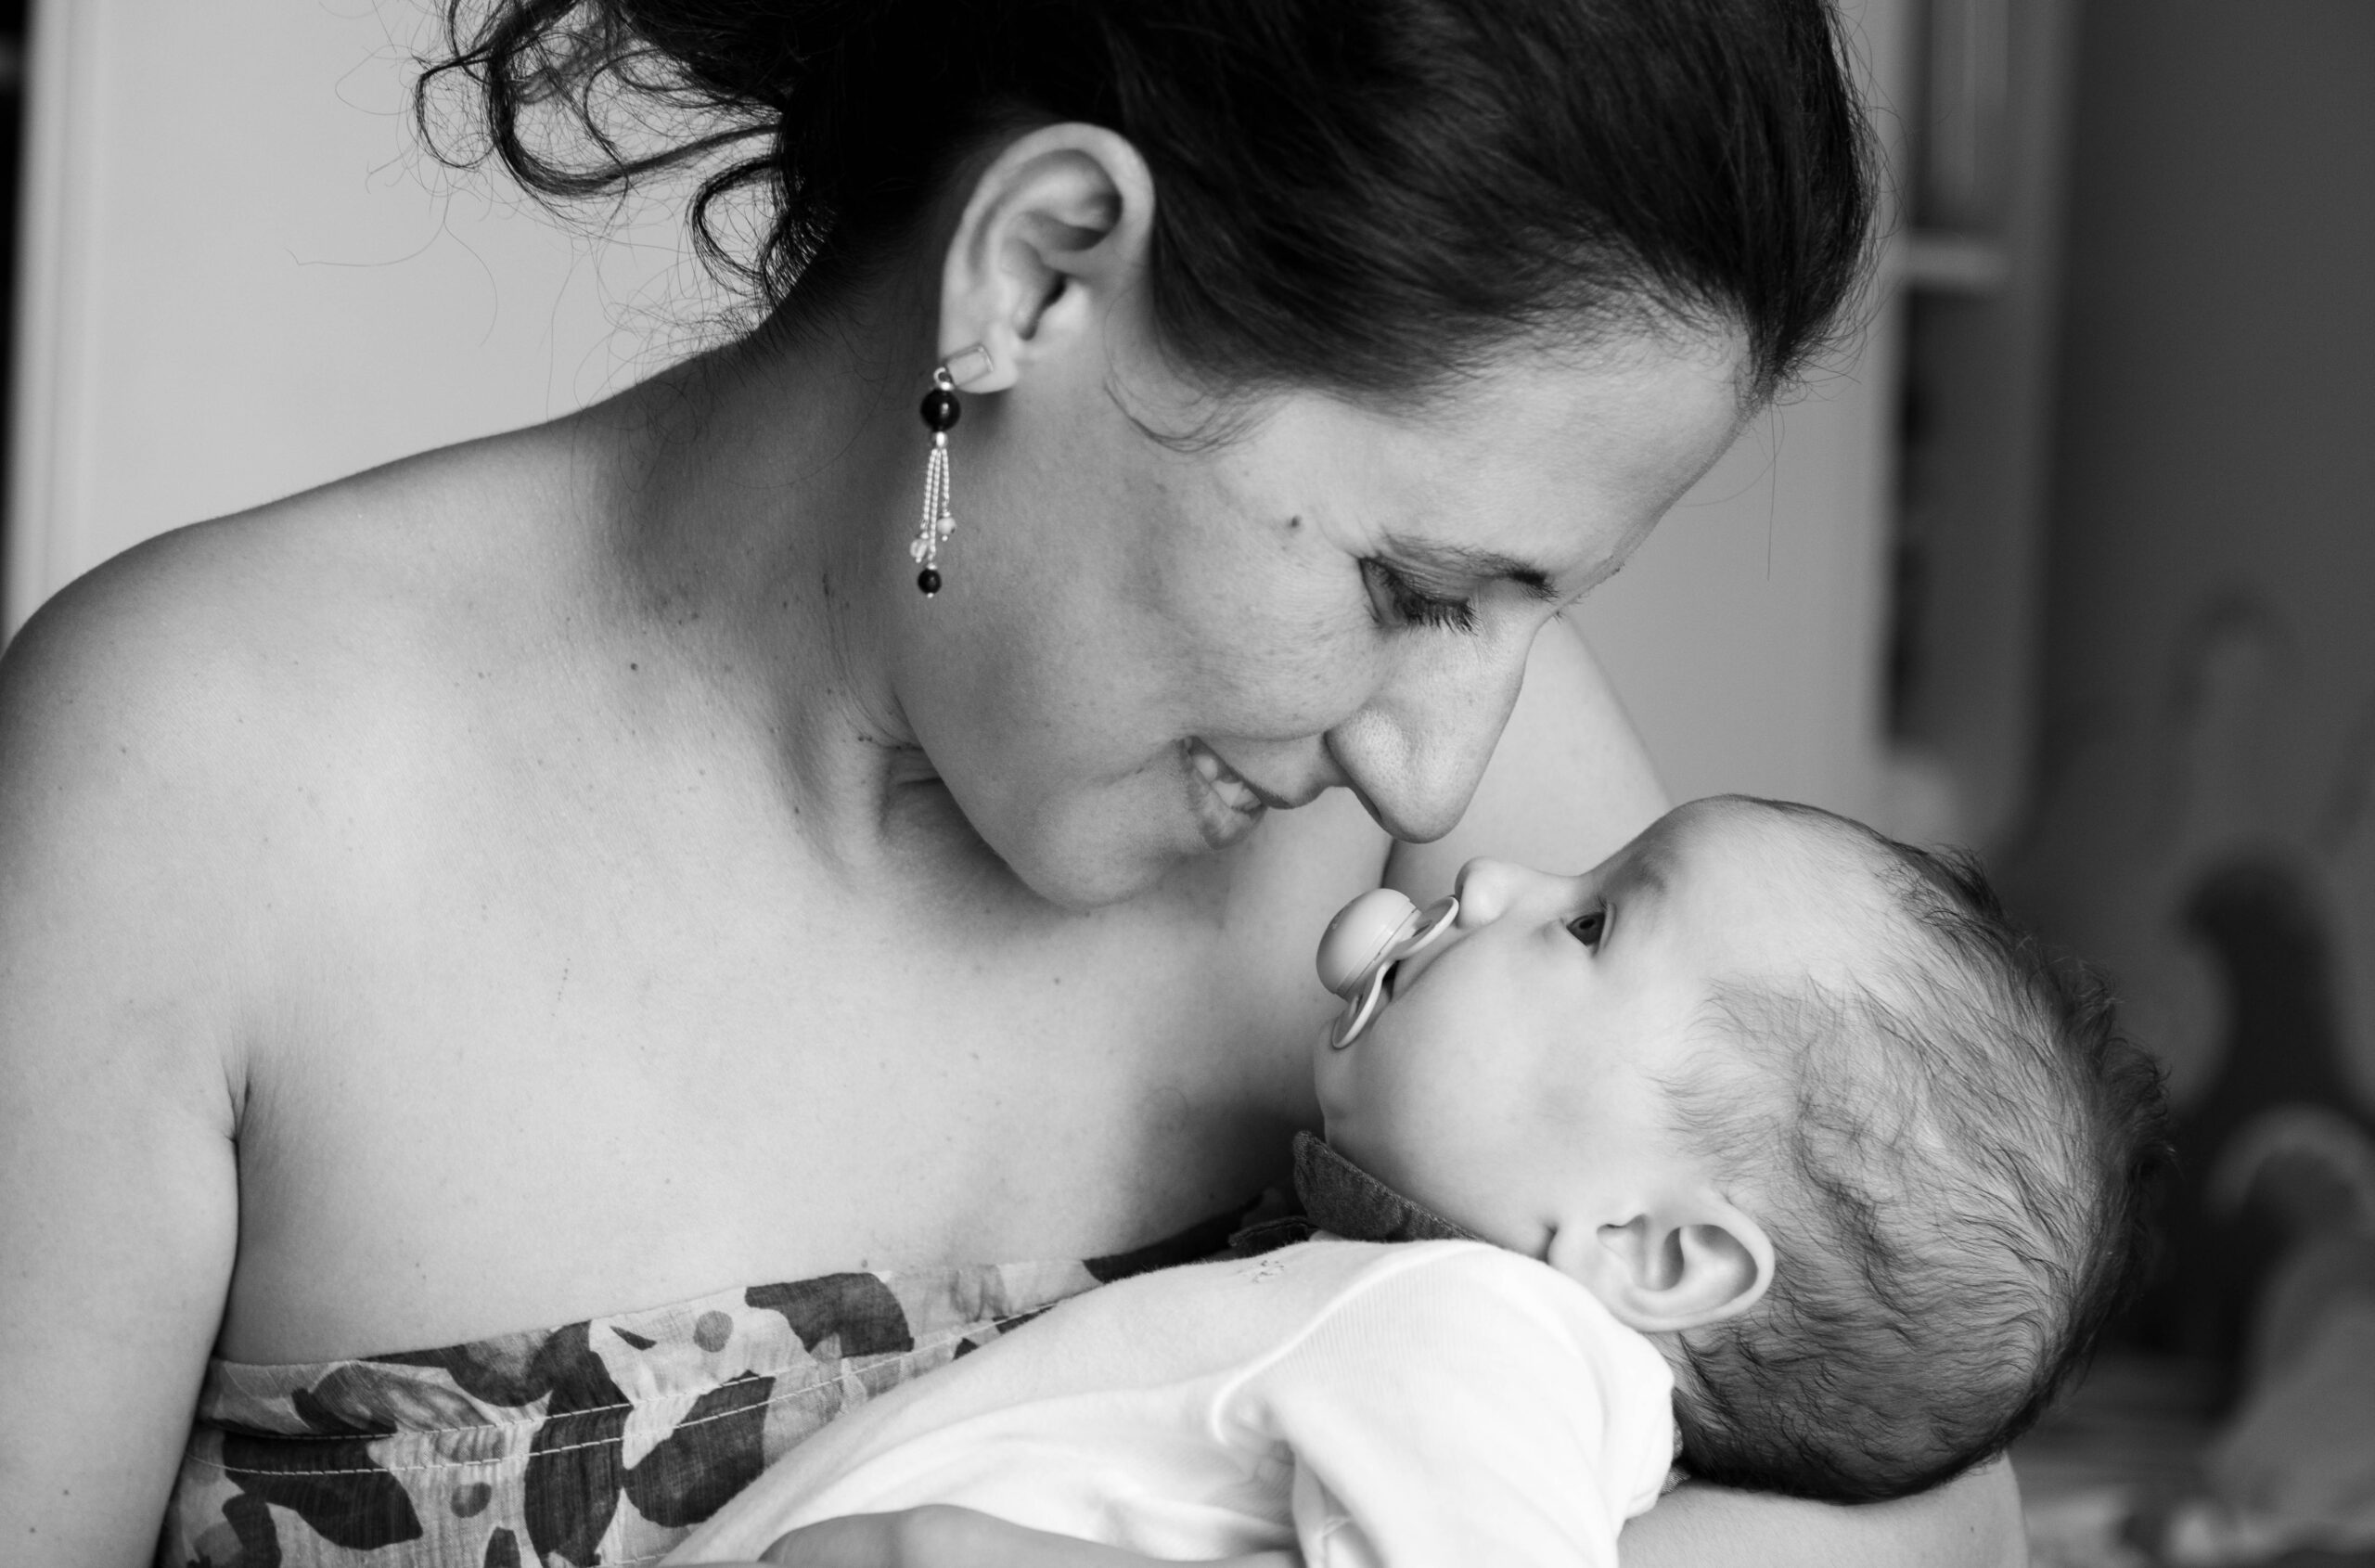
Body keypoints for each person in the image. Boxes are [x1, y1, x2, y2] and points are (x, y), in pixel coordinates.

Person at [0, 4, 2028, 1566]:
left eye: (1523, 606)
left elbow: (1932, 1491)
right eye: (1412, 585)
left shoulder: (1424, 800)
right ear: (1038, 272)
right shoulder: (198, 776)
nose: (1440, 768)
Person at [667, 796, 2164, 1566]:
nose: (1494, 879)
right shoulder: (1433, 1329)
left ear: (1657, 1251)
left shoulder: (1482, 1343)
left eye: (1590, 923)